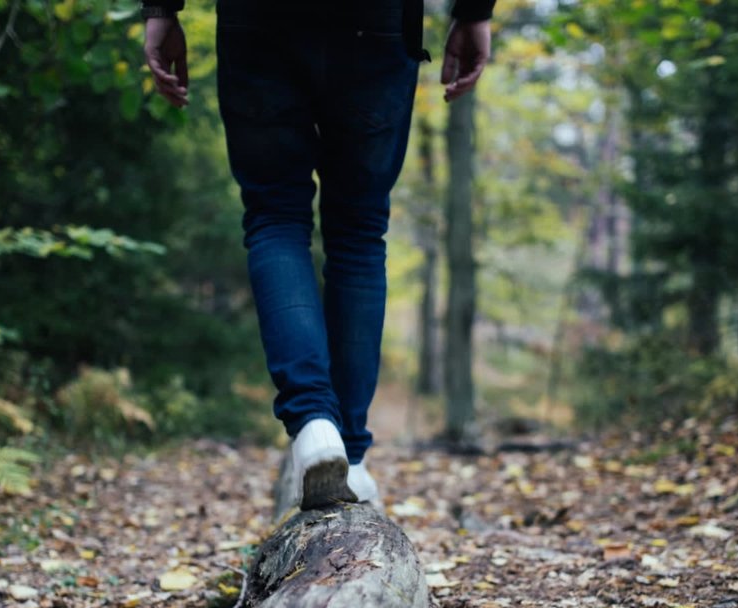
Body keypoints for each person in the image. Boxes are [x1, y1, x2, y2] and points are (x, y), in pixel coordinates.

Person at [143, 0, 493, 510]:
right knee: (358, 232)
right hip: (376, 21)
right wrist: (474, 12)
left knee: (276, 217)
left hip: (257, 20)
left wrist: (160, 9)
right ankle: (348, 454)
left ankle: (314, 427)